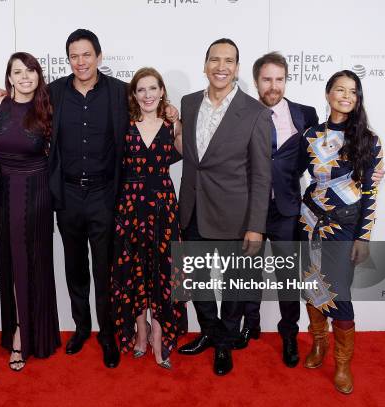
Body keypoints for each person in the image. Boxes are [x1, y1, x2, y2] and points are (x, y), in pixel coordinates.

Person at [176, 39, 273, 376]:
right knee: (197, 283)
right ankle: (209, 332)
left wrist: (256, 226)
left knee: (235, 287)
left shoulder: (256, 113)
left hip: (236, 217)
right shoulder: (188, 104)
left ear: (237, 67)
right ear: (204, 65)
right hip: (191, 210)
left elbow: (262, 176)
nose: (221, 67)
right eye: (214, 60)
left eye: (228, 61)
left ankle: (225, 343)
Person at [46, 29, 129, 368]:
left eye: (86, 55)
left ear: (98, 56)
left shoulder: (120, 93)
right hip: (66, 194)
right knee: (75, 266)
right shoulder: (52, 93)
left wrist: (168, 111)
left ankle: (107, 334)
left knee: (105, 270)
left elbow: (148, 114)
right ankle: (81, 328)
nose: (80, 62)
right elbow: (23, 111)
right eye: (74, 56)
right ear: (68, 59)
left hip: (104, 194)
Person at [231, 52, 319, 366]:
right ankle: (249, 325)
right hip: (249, 208)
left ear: (285, 80)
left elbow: (324, 159)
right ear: (256, 81)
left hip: (286, 209)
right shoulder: (241, 114)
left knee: (287, 278)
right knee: (248, 273)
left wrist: (364, 168)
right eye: (267, 79)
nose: (273, 86)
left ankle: (289, 335)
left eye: (279, 79)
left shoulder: (305, 115)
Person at [299, 70, 383, 394]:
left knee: (339, 294)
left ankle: (343, 363)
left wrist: (363, 236)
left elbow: (371, 195)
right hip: (308, 221)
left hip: (343, 226)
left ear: (357, 98)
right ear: (328, 93)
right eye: (339, 89)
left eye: (352, 91)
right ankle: (318, 343)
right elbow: (290, 173)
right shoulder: (309, 135)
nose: (345, 96)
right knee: (310, 286)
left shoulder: (367, 139)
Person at [0, 52, 61, 372]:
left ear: (38, 75)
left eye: (30, 71)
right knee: (14, 265)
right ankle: (18, 329)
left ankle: (33, 335)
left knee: (36, 263)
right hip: (5, 195)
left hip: (38, 193)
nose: (25, 77)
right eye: (18, 72)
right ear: (9, 77)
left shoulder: (48, 106)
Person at [111, 67, 187, 369]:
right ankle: (140, 331)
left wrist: (177, 121)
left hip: (163, 207)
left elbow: (186, 153)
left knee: (162, 272)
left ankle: (159, 335)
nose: (147, 95)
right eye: (141, 89)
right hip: (129, 207)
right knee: (134, 270)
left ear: (162, 91)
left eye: (153, 88)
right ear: (134, 94)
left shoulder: (171, 125)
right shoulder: (124, 125)